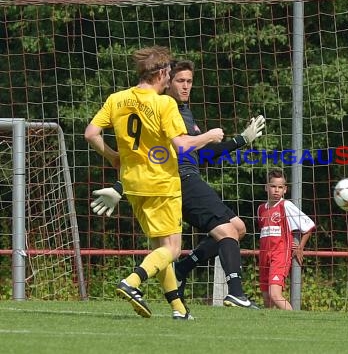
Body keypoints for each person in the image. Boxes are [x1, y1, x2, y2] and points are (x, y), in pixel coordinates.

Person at [90, 59, 265, 309]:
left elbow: (202, 153)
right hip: (178, 180)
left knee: (237, 228)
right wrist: (120, 184)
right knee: (220, 233)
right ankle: (235, 294)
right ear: (166, 80)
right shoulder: (165, 107)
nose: (185, 86)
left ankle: (181, 283)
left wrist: (240, 140)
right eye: (180, 80)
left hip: (181, 179)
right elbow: (155, 152)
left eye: (189, 81)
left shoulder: (183, 111)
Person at [85, 46, 224, 320]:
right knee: (172, 249)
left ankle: (178, 308)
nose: (169, 79)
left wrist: (113, 157)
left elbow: (91, 133)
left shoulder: (117, 99)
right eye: (169, 74)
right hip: (162, 184)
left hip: (132, 186)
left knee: (160, 248)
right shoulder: (164, 104)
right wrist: (209, 135)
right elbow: (183, 146)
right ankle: (132, 282)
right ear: (161, 73)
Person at [256, 168, 314, 310]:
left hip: (280, 254)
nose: (276, 190)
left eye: (280, 187)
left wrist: (300, 247)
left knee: (275, 295)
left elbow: (309, 226)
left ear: (285, 189)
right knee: (266, 299)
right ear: (266, 187)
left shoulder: (286, 205)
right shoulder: (261, 209)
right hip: (264, 256)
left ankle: (296, 323)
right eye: (273, 186)